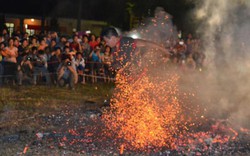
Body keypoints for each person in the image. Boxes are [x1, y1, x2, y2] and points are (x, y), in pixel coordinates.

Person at [101, 27, 170, 80]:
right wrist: (111, 65)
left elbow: (146, 43)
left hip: (139, 76)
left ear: (113, 38)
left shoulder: (127, 42)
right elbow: (117, 64)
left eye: (107, 41)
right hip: (127, 78)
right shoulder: (114, 48)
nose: (106, 43)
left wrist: (164, 50)